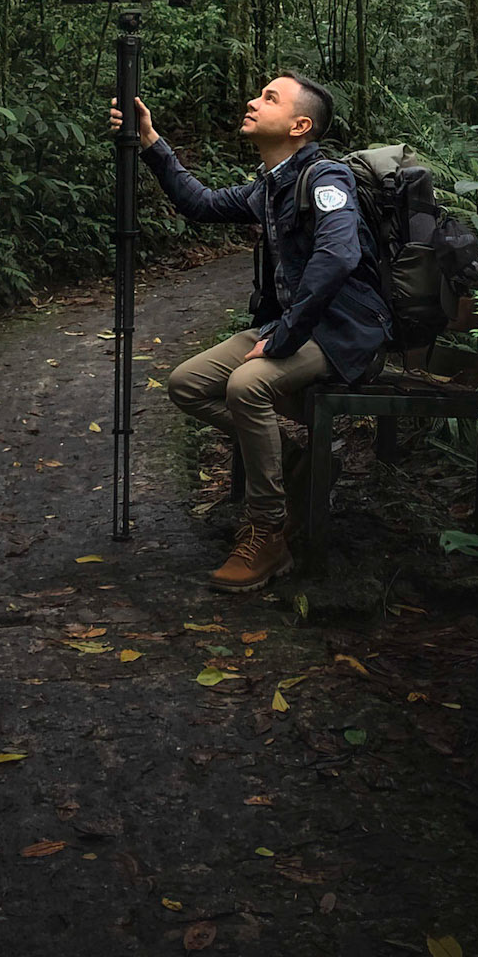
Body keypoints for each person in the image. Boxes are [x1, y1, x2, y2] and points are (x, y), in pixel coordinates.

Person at [109, 74, 389, 592]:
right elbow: (202, 204)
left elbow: (339, 255)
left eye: (269, 98)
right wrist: (150, 140)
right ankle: (297, 457)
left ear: (300, 125)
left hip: (341, 331)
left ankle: (267, 530)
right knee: (186, 384)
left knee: (247, 385)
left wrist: (281, 337)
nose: (253, 102)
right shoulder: (271, 185)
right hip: (288, 326)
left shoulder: (326, 180)